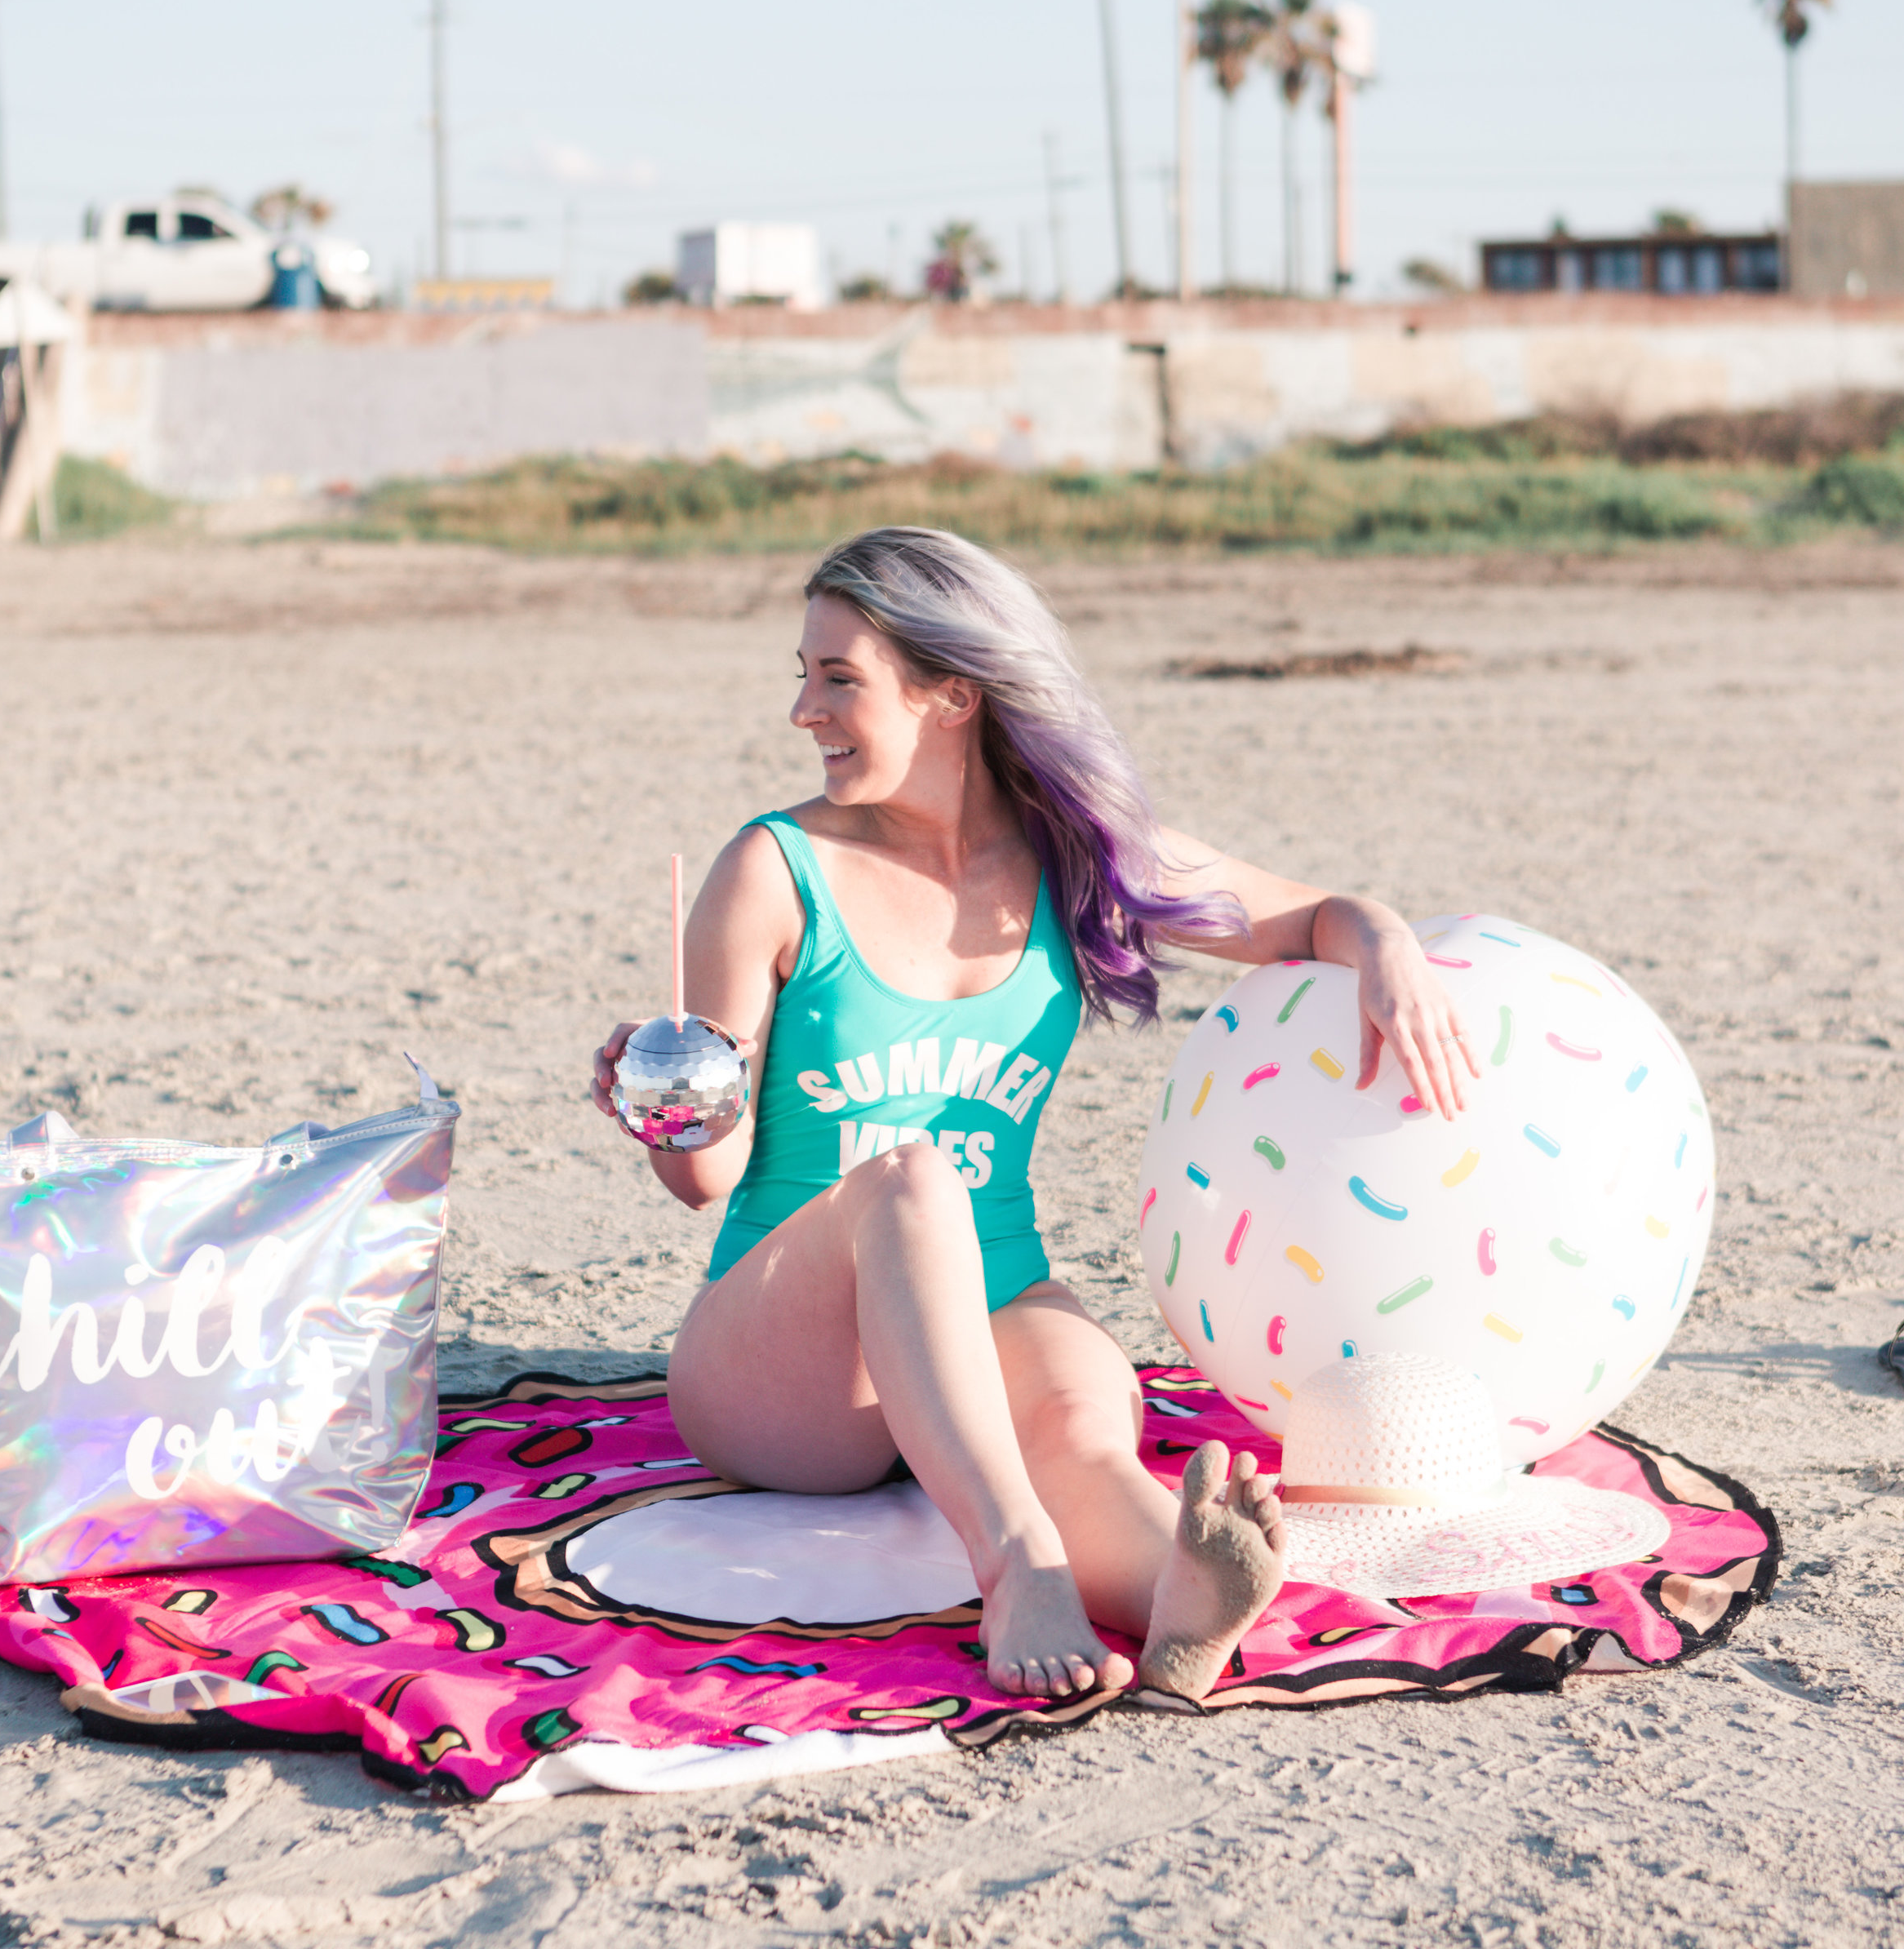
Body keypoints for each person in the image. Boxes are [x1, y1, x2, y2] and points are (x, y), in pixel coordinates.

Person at [589, 527, 1480, 1703]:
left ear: (951, 695)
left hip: (999, 1297)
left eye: (838, 677)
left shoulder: (1080, 858)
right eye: (802, 675)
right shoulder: (773, 869)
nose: (803, 710)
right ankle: (1016, 1564)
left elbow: (1309, 914)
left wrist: (1390, 948)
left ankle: (1180, 1592)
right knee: (912, 1183)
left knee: (1079, 1414)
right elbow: (711, 1183)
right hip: (786, 1363)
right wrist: (671, 1108)